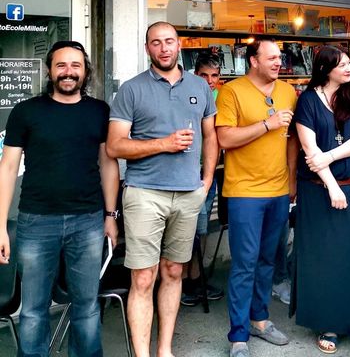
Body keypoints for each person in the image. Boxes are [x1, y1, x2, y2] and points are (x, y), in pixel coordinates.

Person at [0, 40, 120, 356]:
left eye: (75, 65)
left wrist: (111, 216)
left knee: (87, 306)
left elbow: (108, 164)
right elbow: (8, 167)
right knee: (33, 309)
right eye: (61, 65)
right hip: (36, 222)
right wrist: (0, 226)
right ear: (51, 71)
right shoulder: (26, 112)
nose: (69, 72)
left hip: (88, 222)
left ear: (85, 71)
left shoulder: (99, 111)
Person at [106, 21, 218, 357]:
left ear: (179, 44)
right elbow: (114, 147)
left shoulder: (200, 86)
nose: (164, 48)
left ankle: (164, 349)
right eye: (156, 43)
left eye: (169, 41)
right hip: (144, 193)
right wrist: (163, 144)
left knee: (173, 271)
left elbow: (211, 136)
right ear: (147, 49)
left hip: (188, 194)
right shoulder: (132, 89)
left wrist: (207, 179)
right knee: (143, 277)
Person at [291, 45, 350, 355]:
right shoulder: (307, 100)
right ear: (325, 68)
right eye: (342, 64)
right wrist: (332, 186)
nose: (349, 68)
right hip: (318, 192)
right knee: (324, 258)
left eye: (349, 62)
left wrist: (329, 158)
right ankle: (328, 323)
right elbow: (308, 148)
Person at [215, 38, 297, 357]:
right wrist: (267, 124)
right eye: (272, 58)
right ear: (253, 61)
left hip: (278, 190)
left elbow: (291, 140)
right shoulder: (232, 91)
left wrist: (292, 179)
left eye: (280, 57)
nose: (279, 63)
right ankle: (238, 335)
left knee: (267, 261)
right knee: (244, 264)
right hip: (244, 192)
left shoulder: (288, 92)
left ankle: (260, 320)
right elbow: (225, 137)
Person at [181, 54, 225, 306]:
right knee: (186, 230)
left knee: (203, 228)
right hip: (186, 172)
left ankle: (196, 278)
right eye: (204, 75)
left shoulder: (221, 97)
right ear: (194, 73)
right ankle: (185, 281)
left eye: (214, 76)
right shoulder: (186, 94)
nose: (209, 81)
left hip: (210, 171)